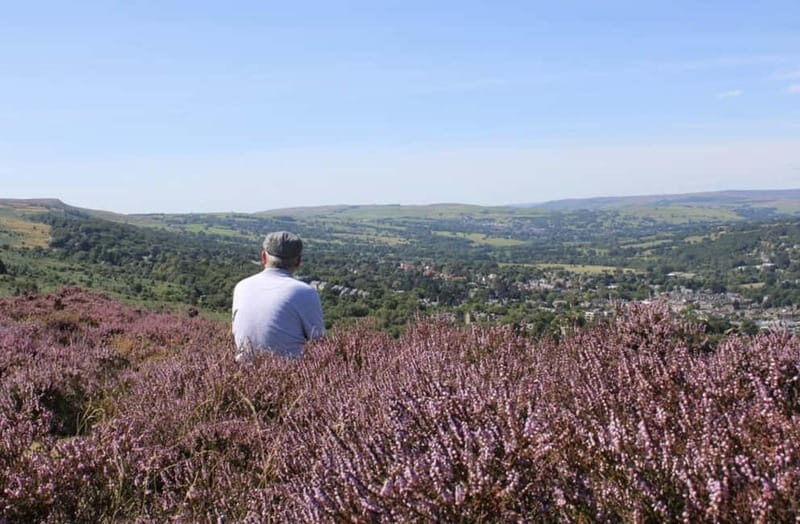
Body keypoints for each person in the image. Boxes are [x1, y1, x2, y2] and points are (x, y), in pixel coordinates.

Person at [232, 231, 325, 361]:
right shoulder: (305, 292)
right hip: (290, 375)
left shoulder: (241, 287)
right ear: (298, 261)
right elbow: (320, 343)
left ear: (263, 257)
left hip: (242, 372)